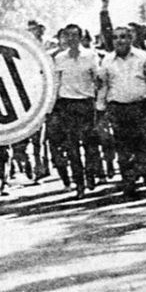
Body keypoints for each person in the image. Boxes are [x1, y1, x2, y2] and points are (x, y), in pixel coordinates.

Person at [96, 24, 146, 197]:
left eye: (123, 37)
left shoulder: (142, 57)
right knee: (124, 148)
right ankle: (129, 181)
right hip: (118, 109)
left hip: (142, 108)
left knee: (144, 145)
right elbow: (103, 86)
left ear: (130, 39)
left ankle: (143, 169)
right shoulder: (107, 61)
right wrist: (101, 109)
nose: (120, 41)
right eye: (116, 37)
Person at [49, 24, 99, 199]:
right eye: (67, 36)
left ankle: (90, 174)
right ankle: (79, 183)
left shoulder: (91, 56)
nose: (71, 39)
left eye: (75, 35)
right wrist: (51, 107)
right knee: (72, 148)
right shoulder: (59, 58)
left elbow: (97, 80)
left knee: (90, 145)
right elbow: (56, 83)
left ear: (80, 37)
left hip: (86, 104)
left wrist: (99, 103)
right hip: (67, 105)